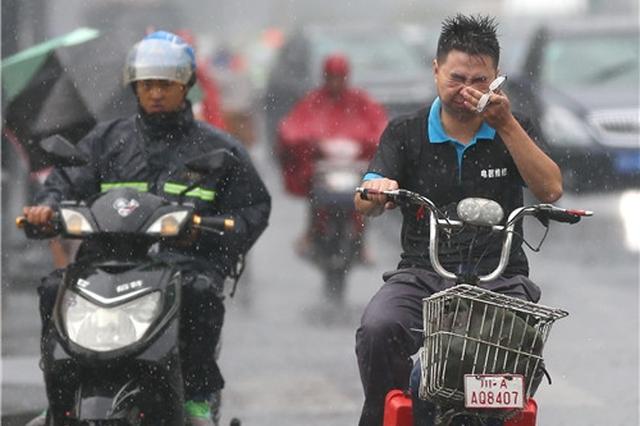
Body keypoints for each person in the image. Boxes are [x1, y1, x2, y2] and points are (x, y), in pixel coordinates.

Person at [23, 31, 271, 426]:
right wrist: (45, 210)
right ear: (135, 87)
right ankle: (59, 393)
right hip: (104, 264)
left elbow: (253, 207)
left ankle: (198, 396)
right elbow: (65, 182)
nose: (155, 93)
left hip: (181, 265)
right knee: (54, 288)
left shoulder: (219, 149)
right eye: (147, 84)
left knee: (199, 295)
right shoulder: (105, 141)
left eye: (165, 84)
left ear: (185, 85)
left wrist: (213, 238)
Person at [353, 14, 562, 426]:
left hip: (499, 278)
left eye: (480, 80)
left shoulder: (513, 129)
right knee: (378, 329)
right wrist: (376, 192)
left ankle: (498, 416)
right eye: (456, 77)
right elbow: (366, 195)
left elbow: (551, 189)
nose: (467, 89)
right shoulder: (406, 132)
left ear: (497, 80)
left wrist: (505, 124)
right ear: (435, 70)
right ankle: (385, 414)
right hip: (422, 274)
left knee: (521, 346)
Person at [277, 53, 387, 258]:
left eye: (339, 77)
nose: (335, 82)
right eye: (331, 77)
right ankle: (311, 232)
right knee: (315, 194)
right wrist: (315, 143)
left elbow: (379, 125)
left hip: (354, 166)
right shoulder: (313, 101)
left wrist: (362, 144)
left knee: (364, 199)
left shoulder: (360, 101)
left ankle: (361, 242)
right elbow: (294, 127)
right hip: (323, 167)